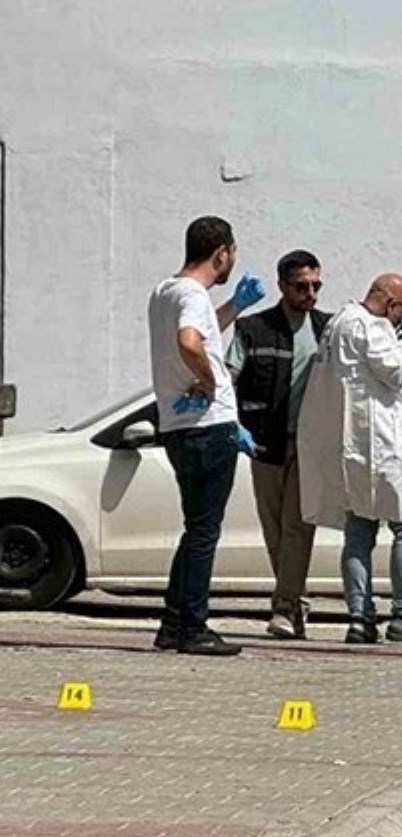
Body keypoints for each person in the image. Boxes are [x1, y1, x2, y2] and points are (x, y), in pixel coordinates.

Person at [298, 274, 402, 645]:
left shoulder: (338, 323)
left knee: (358, 531)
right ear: (392, 305)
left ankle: (360, 618)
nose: (400, 319)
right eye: (401, 313)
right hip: (384, 444)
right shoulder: (373, 327)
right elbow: (394, 372)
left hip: (353, 449)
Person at [147, 216, 266, 656]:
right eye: (232, 253)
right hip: (205, 427)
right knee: (204, 533)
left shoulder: (166, 291)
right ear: (221, 253)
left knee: (194, 529)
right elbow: (191, 341)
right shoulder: (193, 294)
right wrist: (211, 383)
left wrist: (234, 306)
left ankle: (173, 623)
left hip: (179, 428)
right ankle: (193, 627)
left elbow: (202, 331)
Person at [226, 250, 331, 640]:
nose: (311, 294)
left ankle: (285, 608)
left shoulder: (328, 329)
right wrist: (235, 426)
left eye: (316, 286)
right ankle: (296, 604)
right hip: (265, 442)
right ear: (283, 286)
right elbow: (228, 376)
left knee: (298, 528)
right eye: (302, 286)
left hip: (310, 446)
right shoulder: (254, 329)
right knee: (274, 530)